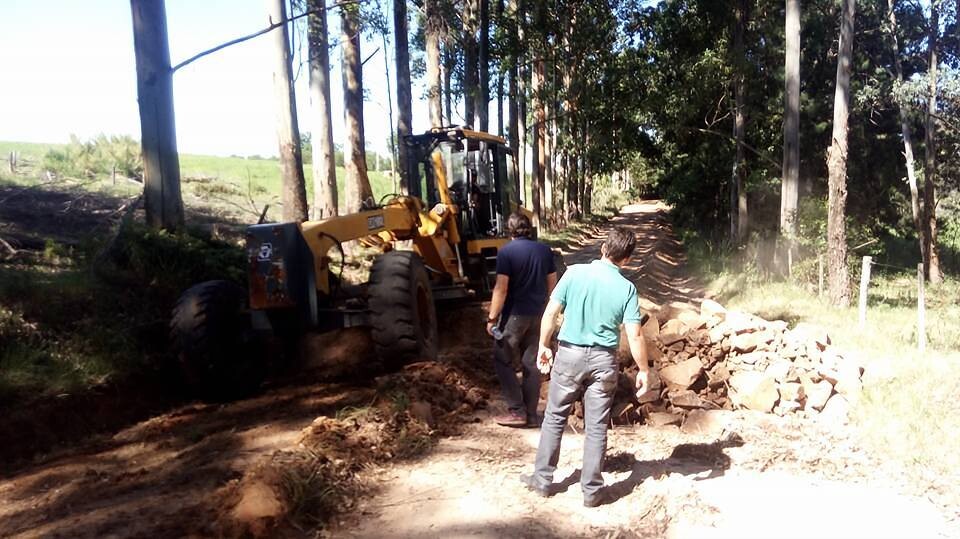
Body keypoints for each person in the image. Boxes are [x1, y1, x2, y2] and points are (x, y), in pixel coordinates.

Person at [521, 226, 650, 508]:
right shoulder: (627, 288)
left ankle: (543, 480)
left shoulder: (575, 273)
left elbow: (551, 313)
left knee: (555, 416)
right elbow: (635, 334)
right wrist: (643, 369)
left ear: (603, 248)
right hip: (604, 361)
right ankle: (591, 491)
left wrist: (544, 346)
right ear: (627, 259)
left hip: (569, 355)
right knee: (596, 426)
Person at [486, 212, 558, 428]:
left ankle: (517, 411)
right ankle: (532, 415)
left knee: (502, 358)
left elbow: (501, 288)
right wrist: (550, 312)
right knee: (531, 363)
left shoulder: (506, 252)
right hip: (539, 315)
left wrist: (491, 318)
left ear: (510, 230)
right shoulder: (545, 251)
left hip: (515, 316)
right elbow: (553, 285)